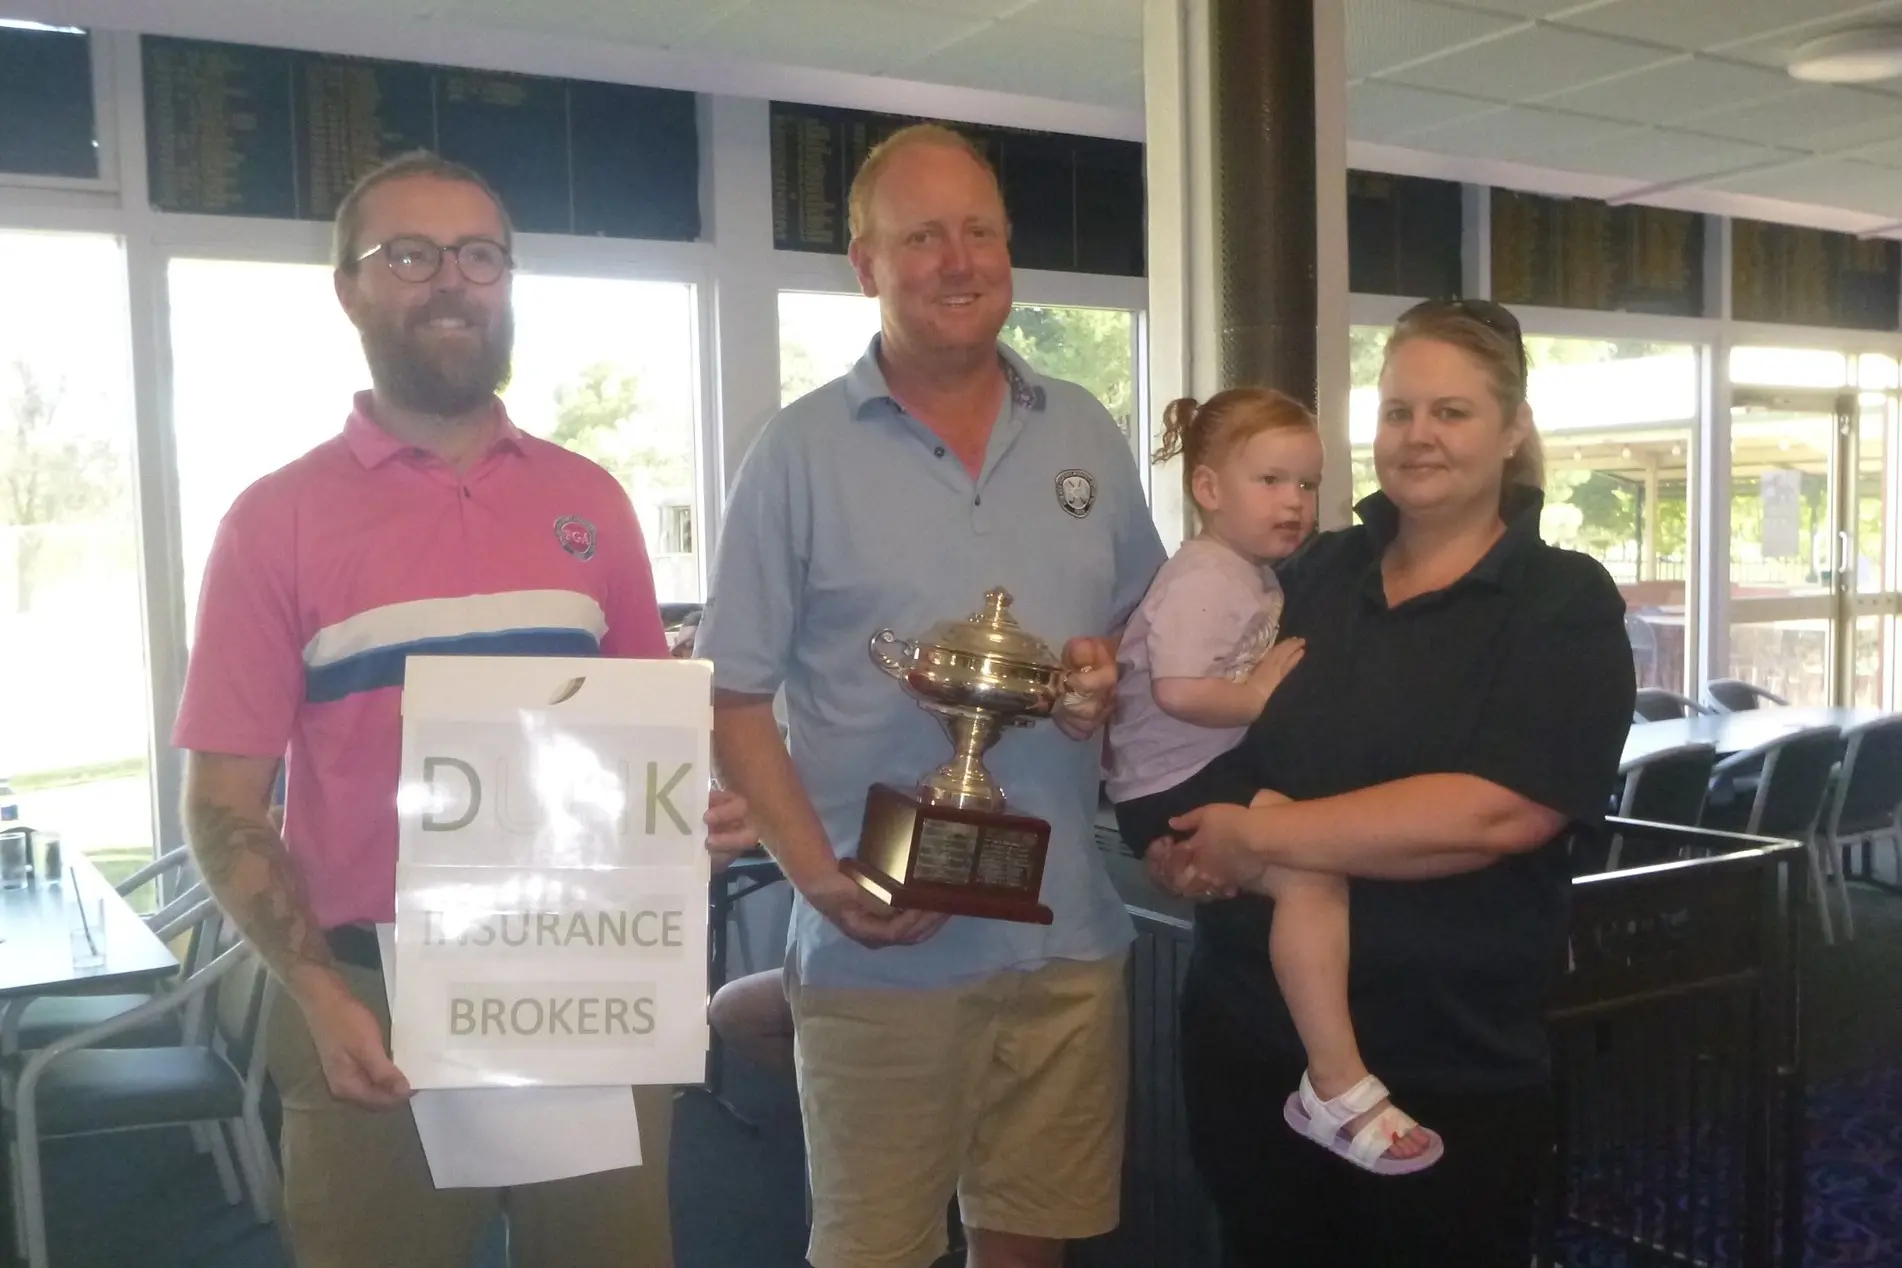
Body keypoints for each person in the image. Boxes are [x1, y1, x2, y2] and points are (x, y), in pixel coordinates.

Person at [172, 150, 756, 1268]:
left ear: (508, 279)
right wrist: (311, 994)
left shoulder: (592, 501)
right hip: (366, 998)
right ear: (350, 287)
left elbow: (648, 737)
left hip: (584, 980)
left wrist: (698, 810)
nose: (451, 281)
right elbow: (223, 804)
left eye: (479, 254)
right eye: (411, 254)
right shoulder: (274, 520)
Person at [696, 123, 1166, 1268]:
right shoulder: (797, 451)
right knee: (875, 1249)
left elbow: (1138, 630)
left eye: (981, 230)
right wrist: (820, 877)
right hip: (880, 950)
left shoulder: (1088, 434)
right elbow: (733, 695)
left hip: (1065, 937)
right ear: (866, 266)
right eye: (921, 237)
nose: (959, 260)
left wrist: (1104, 674)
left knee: (1031, 1242)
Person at [1147, 299, 1634, 1266]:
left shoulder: (1561, 601)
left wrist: (1261, 839)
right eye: (1398, 410)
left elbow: (1497, 811)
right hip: (1248, 1034)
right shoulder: (1310, 573)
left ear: (1513, 429)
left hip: (1444, 1061)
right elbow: (1207, 728)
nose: (1419, 437)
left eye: (1451, 412)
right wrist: (1181, 845)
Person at [1106, 388, 1440, 1174]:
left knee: (1316, 864)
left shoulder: (1251, 572)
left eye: (1306, 484)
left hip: (1203, 765)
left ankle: (1334, 1075)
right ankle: (1335, 1080)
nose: (1294, 502)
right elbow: (1178, 688)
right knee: (1313, 877)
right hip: (1174, 779)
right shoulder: (1205, 575)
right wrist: (1256, 695)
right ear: (1210, 489)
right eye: (1271, 482)